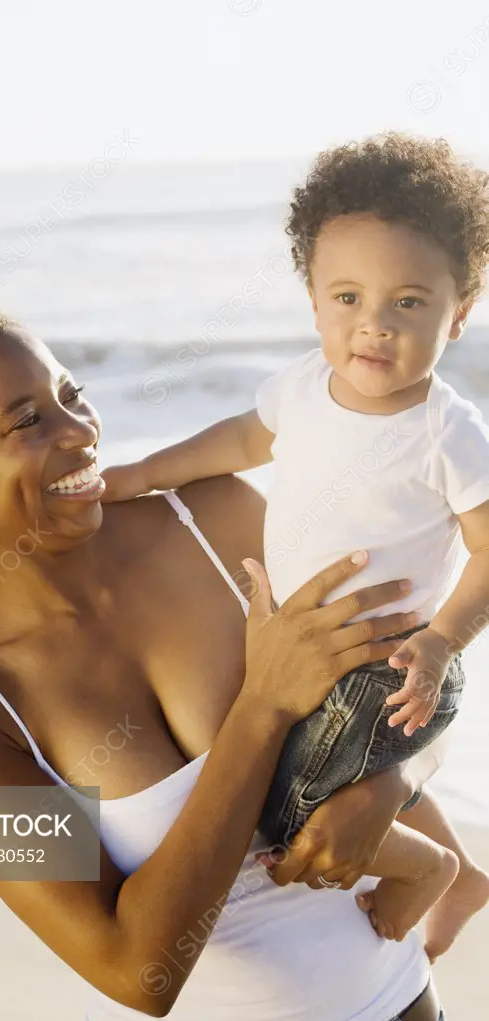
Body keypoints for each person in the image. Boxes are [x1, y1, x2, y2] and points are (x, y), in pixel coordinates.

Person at [0, 263, 448, 1021]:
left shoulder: (214, 521)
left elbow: (402, 670)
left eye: (71, 396)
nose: (80, 433)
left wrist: (389, 788)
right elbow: (136, 971)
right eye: (27, 422)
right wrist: (262, 708)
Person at [101, 132, 489, 957]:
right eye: (347, 298)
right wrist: (142, 471)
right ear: (313, 300)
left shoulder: (447, 433)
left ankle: (426, 872)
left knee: (283, 815)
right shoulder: (305, 387)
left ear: (461, 309)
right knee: (302, 763)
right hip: (318, 657)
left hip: (387, 671)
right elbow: (241, 439)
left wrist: (441, 642)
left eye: (409, 304)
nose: (373, 326)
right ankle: (461, 866)